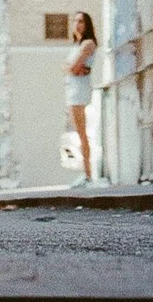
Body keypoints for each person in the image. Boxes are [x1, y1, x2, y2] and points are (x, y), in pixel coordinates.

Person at [64, 10, 99, 182]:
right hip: (72, 89)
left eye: (81, 21)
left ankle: (88, 173)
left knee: (81, 132)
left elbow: (73, 67)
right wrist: (71, 68)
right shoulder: (77, 45)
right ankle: (85, 171)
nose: (77, 24)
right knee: (76, 131)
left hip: (79, 90)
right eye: (75, 21)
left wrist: (72, 68)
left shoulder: (88, 44)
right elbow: (69, 67)